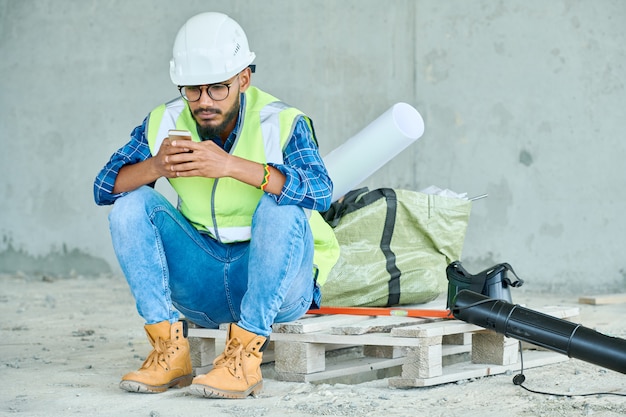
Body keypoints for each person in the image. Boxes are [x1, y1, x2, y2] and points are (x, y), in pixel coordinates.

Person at [94, 12, 339, 399]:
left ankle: (243, 357)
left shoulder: (282, 122)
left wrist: (231, 167)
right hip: (203, 283)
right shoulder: (165, 121)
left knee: (282, 206)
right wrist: (157, 165)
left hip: (276, 288)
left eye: (218, 88)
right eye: (193, 89)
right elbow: (105, 186)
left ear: (244, 79)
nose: (204, 102)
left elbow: (320, 191)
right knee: (130, 204)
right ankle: (169, 351)